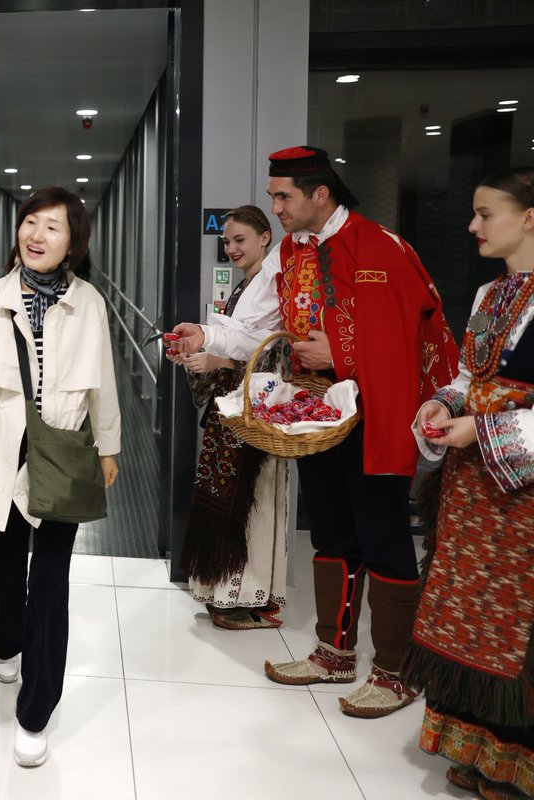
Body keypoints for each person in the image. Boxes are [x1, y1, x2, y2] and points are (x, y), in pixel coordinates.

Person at [172, 146, 458, 718]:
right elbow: (255, 327)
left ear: (319, 194)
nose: (275, 206)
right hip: (317, 415)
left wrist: (343, 352)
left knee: (385, 537)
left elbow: (410, 338)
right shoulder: (290, 256)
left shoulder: (380, 248)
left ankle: (395, 671)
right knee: (331, 531)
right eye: (274, 195)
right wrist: (205, 337)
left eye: (284, 196)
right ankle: (334, 652)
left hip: (377, 413)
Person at [0, 186, 121, 767]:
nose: (36, 236)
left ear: (73, 243)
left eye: (52, 228)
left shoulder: (88, 302)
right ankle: (8, 644)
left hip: (62, 450)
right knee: (4, 568)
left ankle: (35, 711)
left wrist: (109, 445)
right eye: (30, 223)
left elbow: (103, 378)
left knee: (51, 585)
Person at [404, 167, 534, 799]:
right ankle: (474, 738)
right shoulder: (491, 294)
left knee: (519, 620)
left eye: (486, 213)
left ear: (529, 217)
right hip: (474, 488)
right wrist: (444, 405)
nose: (472, 225)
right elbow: (466, 375)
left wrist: (482, 429)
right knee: (470, 608)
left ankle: (518, 758)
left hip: (524, 490)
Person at [168, 206, 288, 629]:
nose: (232, 248)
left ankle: (245, 596)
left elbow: (272, 355)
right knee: (227, 499)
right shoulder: (245, 287)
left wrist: (215, 357)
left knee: (250, 502)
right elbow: (239, 348)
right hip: (233, 410)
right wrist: (204, 358)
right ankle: (224, 590)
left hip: (256, 412)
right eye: (227, 242)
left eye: (240, 240)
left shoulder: (274, 284)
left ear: (265, 237)